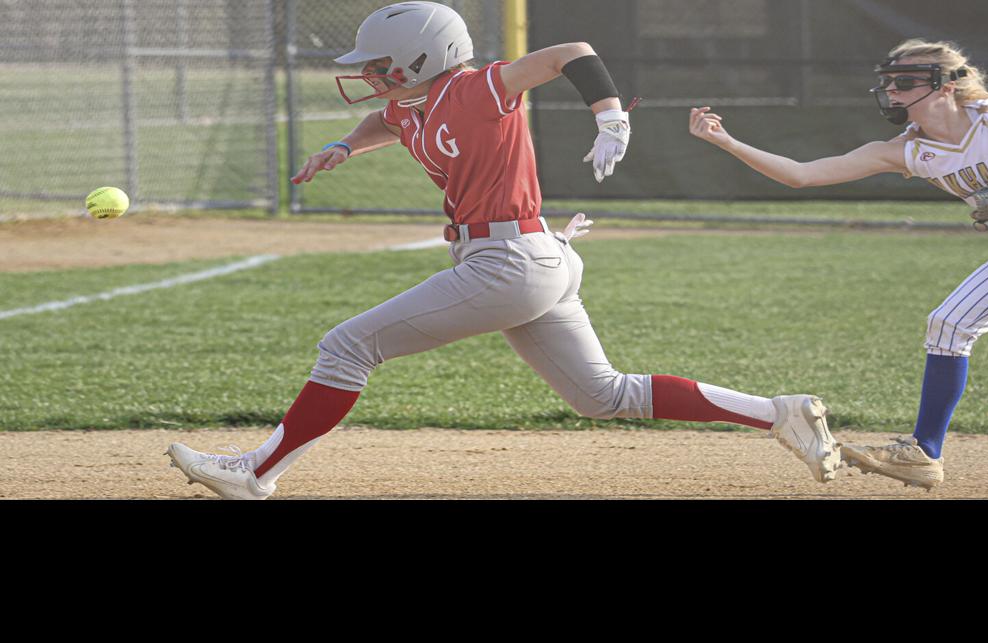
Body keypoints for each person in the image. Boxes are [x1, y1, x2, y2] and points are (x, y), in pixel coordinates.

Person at [166, 1, 841, 499]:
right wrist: (344, 146)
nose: (368, 74)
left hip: (510, 261)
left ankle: (256, 472)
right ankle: (779, 413)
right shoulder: (411, 103)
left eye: (378, 64)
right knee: (603, 395)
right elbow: (385, 120)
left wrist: (610, 115)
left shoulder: (474, 88)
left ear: (420, 58)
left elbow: (570, 51)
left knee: (347, 346)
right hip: (527, 259)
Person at [688, 39, 988, 494]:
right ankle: (924, 451)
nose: (892, 91)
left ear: (946, 85)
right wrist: (726, 141)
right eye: (889, 83)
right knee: (947, 324)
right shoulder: (907, 149)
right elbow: (801, 174)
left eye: (906, 81)